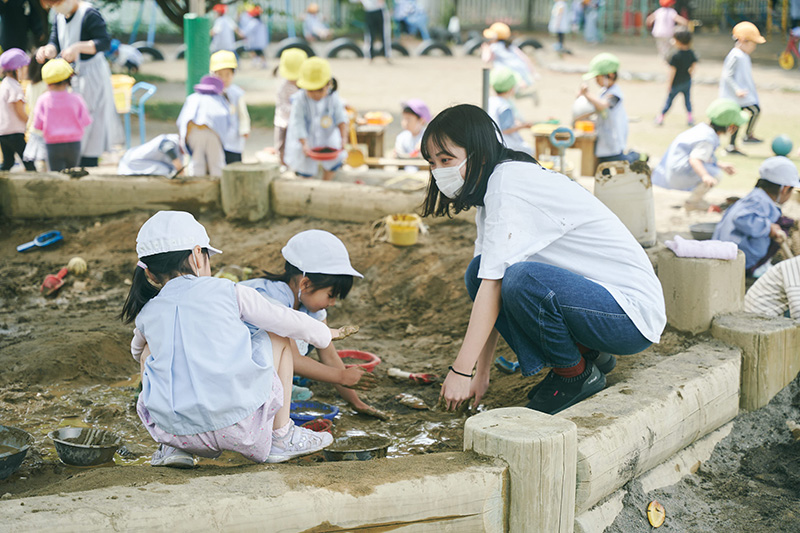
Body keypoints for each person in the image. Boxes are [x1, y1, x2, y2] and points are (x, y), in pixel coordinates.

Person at [421, 104, 665, 415]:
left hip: (628, 317)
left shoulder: (508, 185)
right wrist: (481, 375)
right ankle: (588, 354)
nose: (438, 171)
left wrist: (460, 371)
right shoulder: (492, 192)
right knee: (477, 272)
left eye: (446, 160)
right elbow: (486, 287)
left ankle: (575, 375)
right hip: (600, 305)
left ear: (479, 154)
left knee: (521, 280)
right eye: (432, 163)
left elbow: (496, 286)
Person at [121, 210, 342, 467]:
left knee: (148, 351)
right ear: (196, 255)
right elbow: (283, 319)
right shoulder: (228, 290)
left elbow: (136, 352)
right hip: (240, 428)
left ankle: (170, 449)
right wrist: (324, 334)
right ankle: (281, 437)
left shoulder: (148, 312)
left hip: (179, 432)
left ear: (149, 274)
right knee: (278, 335)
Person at [240, 230, 387, 420]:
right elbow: (292, 358)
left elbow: (329, 355)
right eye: (330, 295)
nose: (333, 303)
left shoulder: (311, 307)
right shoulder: (271, 303)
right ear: (306, 284)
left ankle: (280, 387)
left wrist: (356, 403)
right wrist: (342, 377)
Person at [36, 0, 120, 168]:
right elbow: (56, 39)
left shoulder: (89, 14)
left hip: (92, 75)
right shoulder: (59, 14)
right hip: (72, 75)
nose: (55, 9)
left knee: (91, 120)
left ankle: (88, 161)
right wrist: (50, 49)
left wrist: (78, 47)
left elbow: (104, 42)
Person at [712, 157, 798, 277]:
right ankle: (756, 267)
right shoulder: (760, 201)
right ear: (785, 189)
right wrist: (768, 228)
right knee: (783, 225)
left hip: (731, 253)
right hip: (738, 259)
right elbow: (740, 218)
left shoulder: (757, 196)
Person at [652, 98, 742, 211]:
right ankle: (693, 202)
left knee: (713, 169)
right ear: (730, 127)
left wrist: (720, 164)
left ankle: (694, 200)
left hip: (667, 171)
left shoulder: (701, 129)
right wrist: (705, 176)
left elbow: (701, 156)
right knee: (715, 175)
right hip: (677, 175)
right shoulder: (707, 140)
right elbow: (695, 159)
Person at [284, 57, 347, 181]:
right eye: (311, 90)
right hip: (305, 139)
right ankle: (309, 186)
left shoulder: (333, 98)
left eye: (320, 90)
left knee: (333, 161)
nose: (315, 94)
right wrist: (304, 143)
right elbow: (298, 123)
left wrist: (344, 138)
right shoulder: (300, 100)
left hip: (327, 137)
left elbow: (341, 118)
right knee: (304, 165)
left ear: (328, 84)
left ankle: (326, 182)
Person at [32, 58, 91, 171]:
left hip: (52, 145)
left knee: (56, 177)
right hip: (74, 143)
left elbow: (37, 125)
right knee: (72, 174)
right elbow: (86, 120)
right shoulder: (77, 99)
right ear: (69, 79)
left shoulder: (43, 100)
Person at [579, 53, 638, 166]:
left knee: (618, 162)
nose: (596, 80)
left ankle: (636, 157)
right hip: (604, 138)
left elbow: (603, 105)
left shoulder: (615, 93)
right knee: (604, 165)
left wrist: (587, 94)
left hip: (613, 139)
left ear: (610, 75)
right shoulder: (603, 92)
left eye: (598, 77)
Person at [719, 21, 765, 155]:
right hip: (737, 96)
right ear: (743, 41)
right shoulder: (736, 55)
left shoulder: (743, 55)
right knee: (755, 110)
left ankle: (731, 147)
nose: (754, 47)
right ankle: (747, 135)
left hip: (742, 95)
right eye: (753, 43)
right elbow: (727, 75)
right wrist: (736, 89)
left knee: (737, 121)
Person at [176, 74, 229, 178]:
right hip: (213, 132)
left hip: (192, 131)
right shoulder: (219, 100)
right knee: (216, 163)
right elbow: (225, 120)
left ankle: (196, 189)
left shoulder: (192, 98)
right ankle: (219, 188)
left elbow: (182, 120)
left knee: (197, 162)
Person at [210, 50, 250, 165]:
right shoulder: (210, 94)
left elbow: (243, 114)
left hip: (233, 139)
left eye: (228, 74)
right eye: (220, 74)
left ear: (233, 74)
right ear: (212, 74)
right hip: (216, 139)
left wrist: (244, 129)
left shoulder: (237, 93)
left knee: (234, 165)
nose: (224, 78)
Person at [0, 48, 35, 171]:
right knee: (29, 161)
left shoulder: (4, 84)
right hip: (15, 133)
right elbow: (19, 110)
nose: (26, 71)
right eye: (24, 68)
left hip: (3, 133)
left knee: (8, 163)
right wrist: (29, 121)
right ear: (17, 69)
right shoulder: (14, 86)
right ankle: (38, 185)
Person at [481, 22, 537, 96]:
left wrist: (485, 49)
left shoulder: (494, 47)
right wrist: (533, 72)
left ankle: (521, 88)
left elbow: (486, 59)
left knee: (506, 93)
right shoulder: (510, 46)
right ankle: (528, 92)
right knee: (514, 94)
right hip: (519, 70)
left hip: (506, 72)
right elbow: (524, 58)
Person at [487, 67, 533, 156]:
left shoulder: (490, 101)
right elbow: (505, 129)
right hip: (506, 144)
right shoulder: (505, 106)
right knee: (530, 150)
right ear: (512, 88)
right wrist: (523, 126)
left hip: (492, 142)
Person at [656, 30, 698, 126]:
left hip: (676, 83)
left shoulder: (676, 55)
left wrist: (669, 84)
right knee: (687, 101)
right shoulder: (691, 53)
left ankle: (661, 117)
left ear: (679, 41)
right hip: (687, 81)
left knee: (669, 101)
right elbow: (693, 67)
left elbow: (672, 71)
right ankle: (690, 118)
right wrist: (689, 75)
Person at [274, 48, 307, 167]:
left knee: (298, 143)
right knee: (282, 144)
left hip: (298, 122)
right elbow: (282, 104)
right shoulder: (283, 87)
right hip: (284, 121)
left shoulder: (304, 85)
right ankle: (282, 163)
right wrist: (295, 110)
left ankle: (296, 163)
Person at [22, 50, 47, 170]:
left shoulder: (30, 86)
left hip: (34, 129)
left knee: (40, 164)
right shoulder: (47, 86)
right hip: (46, 130)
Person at [117, 134, 182, 176]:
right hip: (131, 163)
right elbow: (167, 147)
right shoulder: (173, 139)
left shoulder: (182, 153)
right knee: (168, 171)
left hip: (133, 163)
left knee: (170, 171)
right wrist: (179, 168)